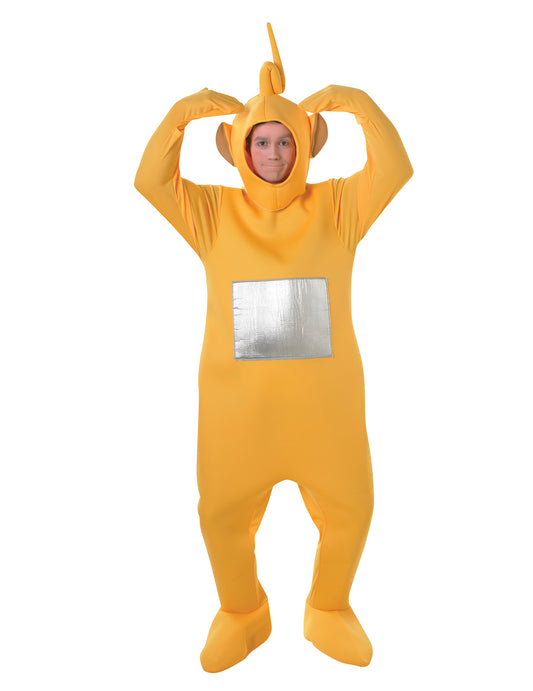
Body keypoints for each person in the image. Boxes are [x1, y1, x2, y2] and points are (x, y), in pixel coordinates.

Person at [134, 23, 413, 673]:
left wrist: (356, 102)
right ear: (238, 147)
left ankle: (328, 607)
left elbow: (395, 169)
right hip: (238, 416)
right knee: (220, 516)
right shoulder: (213, 214)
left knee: (353, 510)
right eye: (259, 140)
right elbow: (151, 181)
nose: (272, 151)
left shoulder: (337, 207)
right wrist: (178, 116)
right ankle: (241, 612)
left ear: (303, 145)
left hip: (326, 414)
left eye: (284, 139)